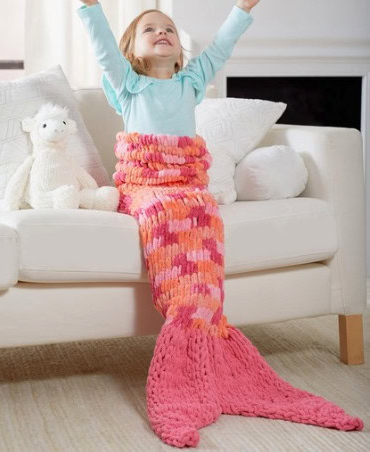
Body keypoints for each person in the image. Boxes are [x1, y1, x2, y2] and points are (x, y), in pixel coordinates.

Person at [77, 0, 363, 447]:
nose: (162, 32)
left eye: (168, 28)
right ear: (131, 49)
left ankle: (200, 317)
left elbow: (221, 48)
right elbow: (102, 52)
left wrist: (241, 9)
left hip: (186, 182)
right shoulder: (129, 85)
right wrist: (91, 6)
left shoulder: (191, 82)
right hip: (147, 183)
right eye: (149, 28)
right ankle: (187, 319)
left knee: (205, 212)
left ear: (179, 50)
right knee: (163, 212)